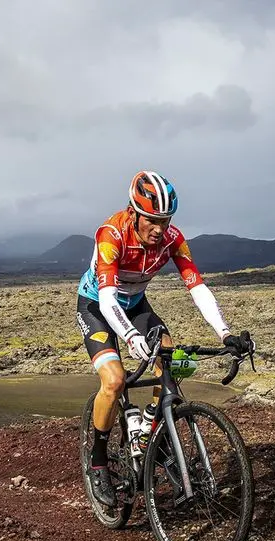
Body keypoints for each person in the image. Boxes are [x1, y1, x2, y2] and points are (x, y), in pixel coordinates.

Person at [76, 170, 252, 506]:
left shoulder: (173, 238)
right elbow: (109, 298)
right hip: (98, 305)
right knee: (113, 382)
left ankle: (153, 429)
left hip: (136, 304)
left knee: (169, 360)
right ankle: (98, 461)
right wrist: (128, 336)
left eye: (165, 219)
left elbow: (196, 286)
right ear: (134, 212)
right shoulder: (111, 234)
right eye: (152, 220)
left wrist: (225, 332)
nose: (159, 228)